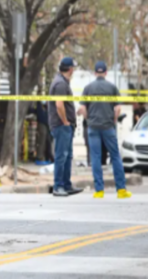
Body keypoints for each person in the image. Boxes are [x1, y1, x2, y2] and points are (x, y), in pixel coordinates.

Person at [80, 61, 131, 199]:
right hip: (108, 126)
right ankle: (121, 190)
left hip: (93, 127)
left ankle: (99, 191)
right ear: (106, 73)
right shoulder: (112, 87)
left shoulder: (88, 88)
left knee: (95, 157)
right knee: (115, 156)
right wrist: (113, 120)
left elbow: (83, 108)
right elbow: (118, 108)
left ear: (95, 73)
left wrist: (89, 120)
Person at [49, 57, 83, 197]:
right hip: (61, 125)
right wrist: (65, 121)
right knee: (61, 156)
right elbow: (59, 105)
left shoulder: (62, 82)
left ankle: (66, 185)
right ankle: (58, 186)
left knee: (67, 156)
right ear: (70, 69)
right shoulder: (60, 84)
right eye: (73, 68)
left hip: (65, 126)